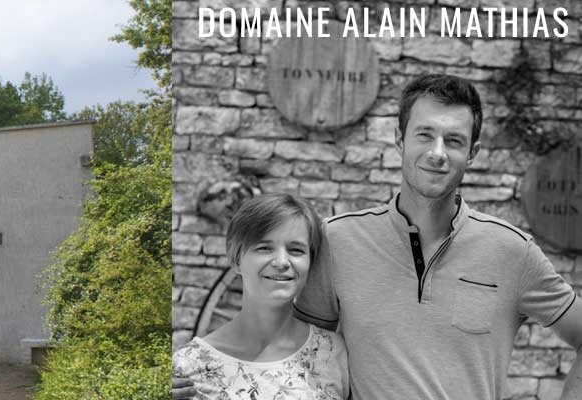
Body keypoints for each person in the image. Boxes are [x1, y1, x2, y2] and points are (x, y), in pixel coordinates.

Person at [293, 74, 582, 399]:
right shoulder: (337, 240)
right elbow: (300, 354)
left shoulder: (514, 252)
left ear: (472, 153)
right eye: (425, 135)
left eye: (454, 140)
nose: (438, 152)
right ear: (400, 139)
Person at [173, 193, 349, 400]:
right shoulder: (189, 367)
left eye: (296, 250)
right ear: (236, 258)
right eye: (264, 248)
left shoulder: (334, 353)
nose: (282, 262)